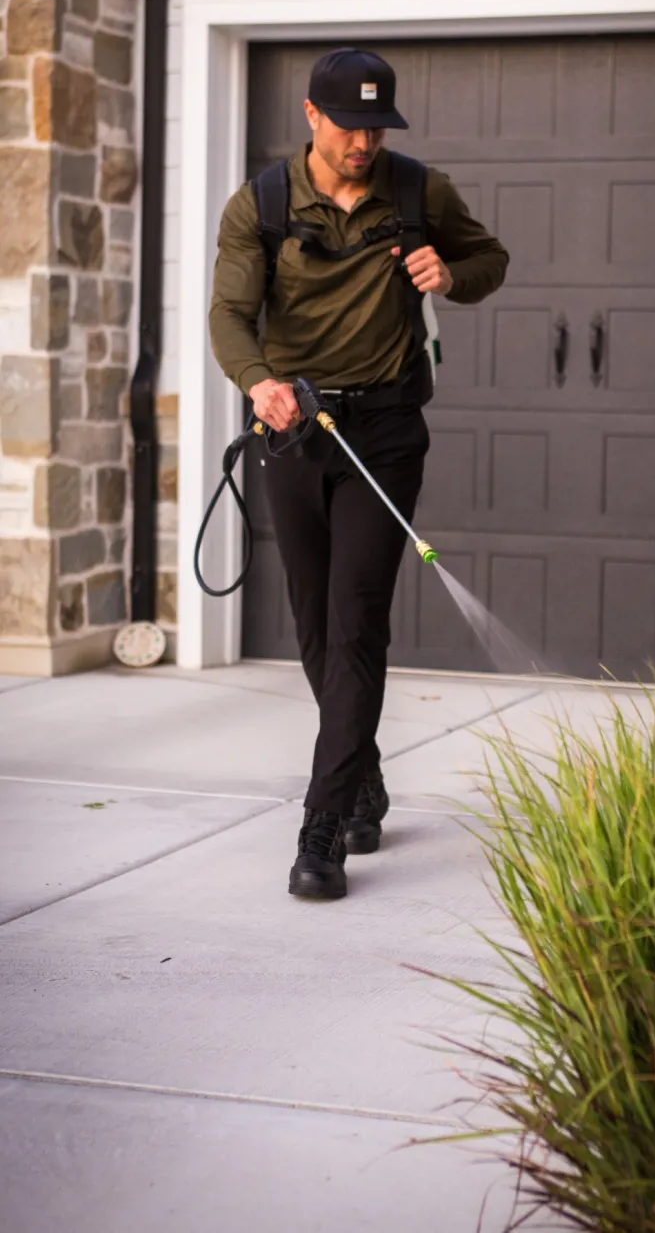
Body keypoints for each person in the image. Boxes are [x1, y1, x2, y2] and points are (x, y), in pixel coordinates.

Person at [209, 47, 509, 901]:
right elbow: (230, 313)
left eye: (378, 128)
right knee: (312, 629)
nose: (365, 144)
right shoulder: (261, 205)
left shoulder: (420, 192)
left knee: (354, 625)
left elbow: (493, 262)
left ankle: (322, 828)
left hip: (382, 433)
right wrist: (259, 382)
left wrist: (449, 274)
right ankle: (366, 781)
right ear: (312, 116)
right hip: (295, 429)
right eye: (350, 128)